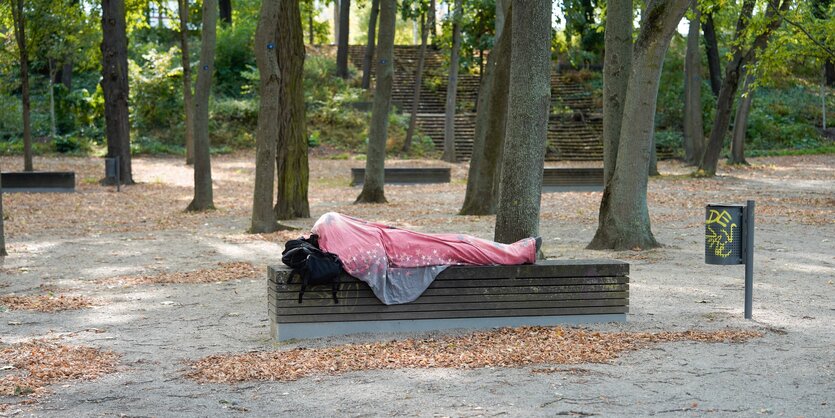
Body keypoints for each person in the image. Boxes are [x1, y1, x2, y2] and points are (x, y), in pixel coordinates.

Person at [310, 212, 539, 304]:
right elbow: (372, 262)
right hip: (407, 251)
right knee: (459, 246)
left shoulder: (331, 228)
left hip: (402, 242)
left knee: (459, 243)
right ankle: (519, 252)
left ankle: (517, 250)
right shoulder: (335, 234)